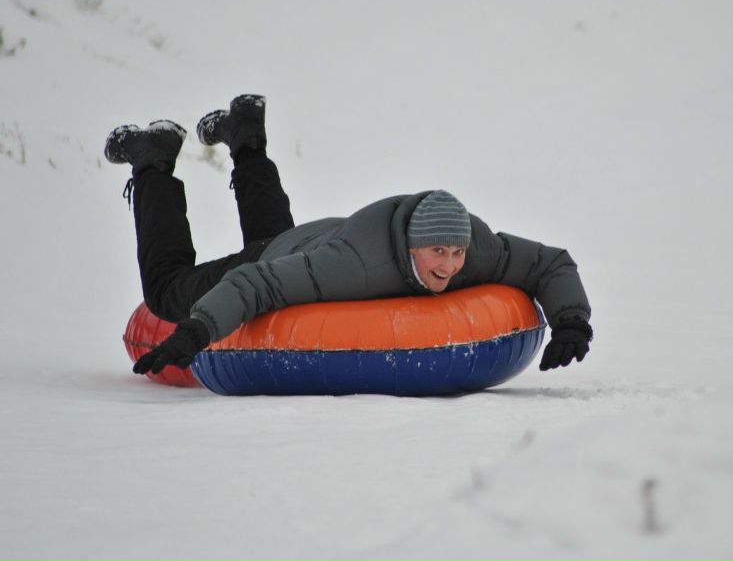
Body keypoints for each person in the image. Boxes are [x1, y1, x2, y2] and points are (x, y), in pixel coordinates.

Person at [106, 94, 593, 376]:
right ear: (409, 246)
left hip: (313, 243)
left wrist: (570, 319)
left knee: (283, 245)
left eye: (456, 252)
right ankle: (153, 160)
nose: (449, 265)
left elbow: (549, 261)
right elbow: (258, 283)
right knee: (168, 290)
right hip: (303, 252)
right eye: (437, 252)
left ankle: (245, 134)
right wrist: (196, 328)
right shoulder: (356, 266)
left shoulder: (476, 249)